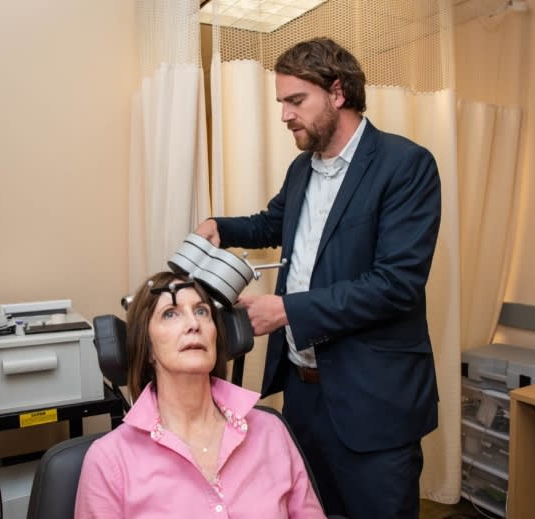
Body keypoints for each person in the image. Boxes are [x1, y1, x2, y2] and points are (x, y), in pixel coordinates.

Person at [194, 37, 442, 518]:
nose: (284, 114)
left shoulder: (405, 165)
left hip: (374, 400)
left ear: (337, 92)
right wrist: (220, 228)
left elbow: (396, 284)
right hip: (305, 394)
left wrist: (286, 310)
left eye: (295, 101)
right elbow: (273, 223)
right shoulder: (302, 169)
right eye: (281, 102)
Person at [74, 271, 325, 518]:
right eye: (170, 314)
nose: (193, 324)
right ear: (148, 347)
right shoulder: (109, 460)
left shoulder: (271, 432)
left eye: (202, 311)